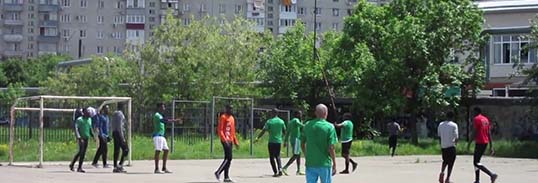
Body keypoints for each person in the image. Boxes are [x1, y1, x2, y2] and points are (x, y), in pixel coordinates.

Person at [301, 104, 338, 183]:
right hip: (324, 163)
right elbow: (331, 147)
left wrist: (306, 155)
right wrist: (334, 163)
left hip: (310, 162)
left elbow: (302, 143)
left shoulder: (307, 125)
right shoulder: (330, 127)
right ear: (326, 113)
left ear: (315, 113)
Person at [468, 107, 498, 183]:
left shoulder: (476, 119)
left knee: (476, 162)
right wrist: (491, 145)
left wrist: (469, 142)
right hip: (485, 142)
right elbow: (489, 133)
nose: (472, 113)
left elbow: (474, 131)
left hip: (480, 141)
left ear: (476, 112)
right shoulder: (485, 119)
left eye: (473, 112)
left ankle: (491, 174)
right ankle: (477, 180)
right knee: (477, 161)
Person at [255, 108, 287, 177]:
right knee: (278, 156)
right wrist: (284, 140)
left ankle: (275, 172)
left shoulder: (269, 121)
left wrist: (258, 137)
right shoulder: (281, 121)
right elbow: (285, 131)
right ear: (277, 113)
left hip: (271, 141)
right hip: (278, 141)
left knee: (271, 157)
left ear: (272, 113)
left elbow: (263, 130)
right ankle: (280, 169)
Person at [153, 102, 181, 174]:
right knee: (158, 151)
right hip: (157, 136)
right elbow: (164, 121)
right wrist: (175, 120)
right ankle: (156, 169)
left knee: (166, 150)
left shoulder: (161, 115)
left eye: (164, 107)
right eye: (162, 107)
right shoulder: (157, 115)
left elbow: (164, 120)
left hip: (162, 136)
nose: (164, 108)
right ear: (158, 108)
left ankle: (164, 168)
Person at [215, 105, 239, 182]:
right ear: (226, 109)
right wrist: (224, 140)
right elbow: (220, 130)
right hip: (225, 140)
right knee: (229, 157)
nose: (231, 110)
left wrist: (235, 141)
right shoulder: (223, 117)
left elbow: (233, 131)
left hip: (230, 140)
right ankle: (218, 172)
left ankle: (226, 177)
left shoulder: (232, 118)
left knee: (228, 158)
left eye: (232, 108)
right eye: (229, 108)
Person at [69, 107, 93, 173]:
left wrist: (93, 136)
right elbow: (76, 129)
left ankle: (76, 166)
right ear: (84, 112)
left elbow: (90, 128)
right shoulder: (79, 120)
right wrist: (79, 137)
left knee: (82, 153)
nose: (89, 112)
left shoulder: (89, 119)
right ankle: (75, 165)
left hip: (86, 138)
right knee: (81, 152)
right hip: (81, 138)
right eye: (87, 111)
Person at [282, 110, 305, 176]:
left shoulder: (290, 122)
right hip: (296, 139)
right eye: (300, 114)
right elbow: (300, 125)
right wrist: (305, 125)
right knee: (296, 155)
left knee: (298, 154)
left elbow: (287, 133)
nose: (301, 115)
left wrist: (285, 141)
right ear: (297, 114)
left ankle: (298, 170)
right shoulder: (296, 120)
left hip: (292, 139)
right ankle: (285, 167)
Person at [437, 112, 459, 183]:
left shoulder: (441, 124)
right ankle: (448, 178)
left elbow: (439, 136)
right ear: (452, 117)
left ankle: (442, 172)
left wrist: (441, 143)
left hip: (443, 146)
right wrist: (456, 143)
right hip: (451, 146)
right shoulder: (454, 125)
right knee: (451, 163)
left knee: (445, 161)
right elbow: (456, 137)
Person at [111, 103, 129, 173]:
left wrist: (112, 132)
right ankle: (120, 165)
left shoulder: (114, 114)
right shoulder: (120, 114)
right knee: (126, 149)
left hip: (115, 132)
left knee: (117, 150)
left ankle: (115, 166)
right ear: (122, 107)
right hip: (119, 133)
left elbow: (112, 124)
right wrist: (122, 137)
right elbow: (120, 126)